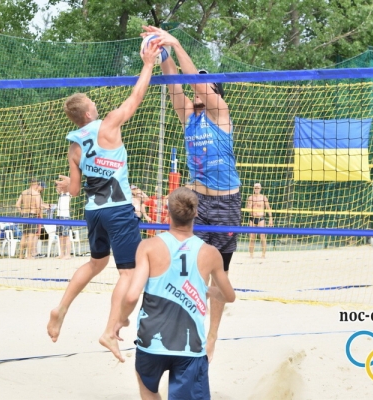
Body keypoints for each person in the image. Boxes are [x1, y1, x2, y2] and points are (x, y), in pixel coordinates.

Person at [46, 40, 162, 360]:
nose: (96, 105)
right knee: (128, 273)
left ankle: (61, 308)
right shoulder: (108, 123)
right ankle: (110, 331)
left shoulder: (74, 146)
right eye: (93, 103)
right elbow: (136, 97)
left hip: (93, 212)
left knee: (96, 263)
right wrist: (148, 64)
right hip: (118, 209)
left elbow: (73, 190)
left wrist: (65, 183)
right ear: (88, 112)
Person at [143, 26, 241, 362]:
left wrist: (177, 43)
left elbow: (195, 82)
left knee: (219, 274)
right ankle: (190, 329)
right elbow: (174, 84)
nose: (199, 86)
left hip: (226, 203)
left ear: (215, 92)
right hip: (198, 203)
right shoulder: (188, 116)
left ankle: (212, 336)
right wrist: (163, 53)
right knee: (189, 269)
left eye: (205, 83)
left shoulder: (220, 114)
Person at [113, 187, 235, 399]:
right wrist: (206, 290)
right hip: (190, 346)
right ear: (196, 212)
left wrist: (121, 319)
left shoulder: (147, 246)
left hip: (151, 341)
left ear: (168, 211)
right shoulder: (210, 253)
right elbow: (229, 297)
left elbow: (131, 296)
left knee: (148, 389)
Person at [15, 179, 45, 259]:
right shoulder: (36, 194)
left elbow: (17, 204)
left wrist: (22, 212)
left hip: (24, 215)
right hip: (33, 215)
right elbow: (38, 207)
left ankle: (21, 255)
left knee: (24, 235)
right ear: (35, 185)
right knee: (31, 236)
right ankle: (29, 255)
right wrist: (39, 216)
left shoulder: (24, 192)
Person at [246, 183, 273, 258]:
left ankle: (263, 255)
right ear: (253, 188)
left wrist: (271, 219)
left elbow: (268, 208)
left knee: (262, 237)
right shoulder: (250, 197)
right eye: (255, 188)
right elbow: (247, 209)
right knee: (252, 237)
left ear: (260, 189)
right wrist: (249, 206)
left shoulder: (263, 198)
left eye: (258, 188)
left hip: (261, 218)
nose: (256, 189)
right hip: (252, 218)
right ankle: (251, 255)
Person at [55, 184, 72, 260]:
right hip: (59, 217)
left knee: (66, 236)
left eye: (58, 187)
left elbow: (71, 187)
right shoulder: (60, 195)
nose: (57, 189)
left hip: (65, 217)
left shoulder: (68, 193)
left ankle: (68, 254)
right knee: (60, 236)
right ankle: (62, 254)